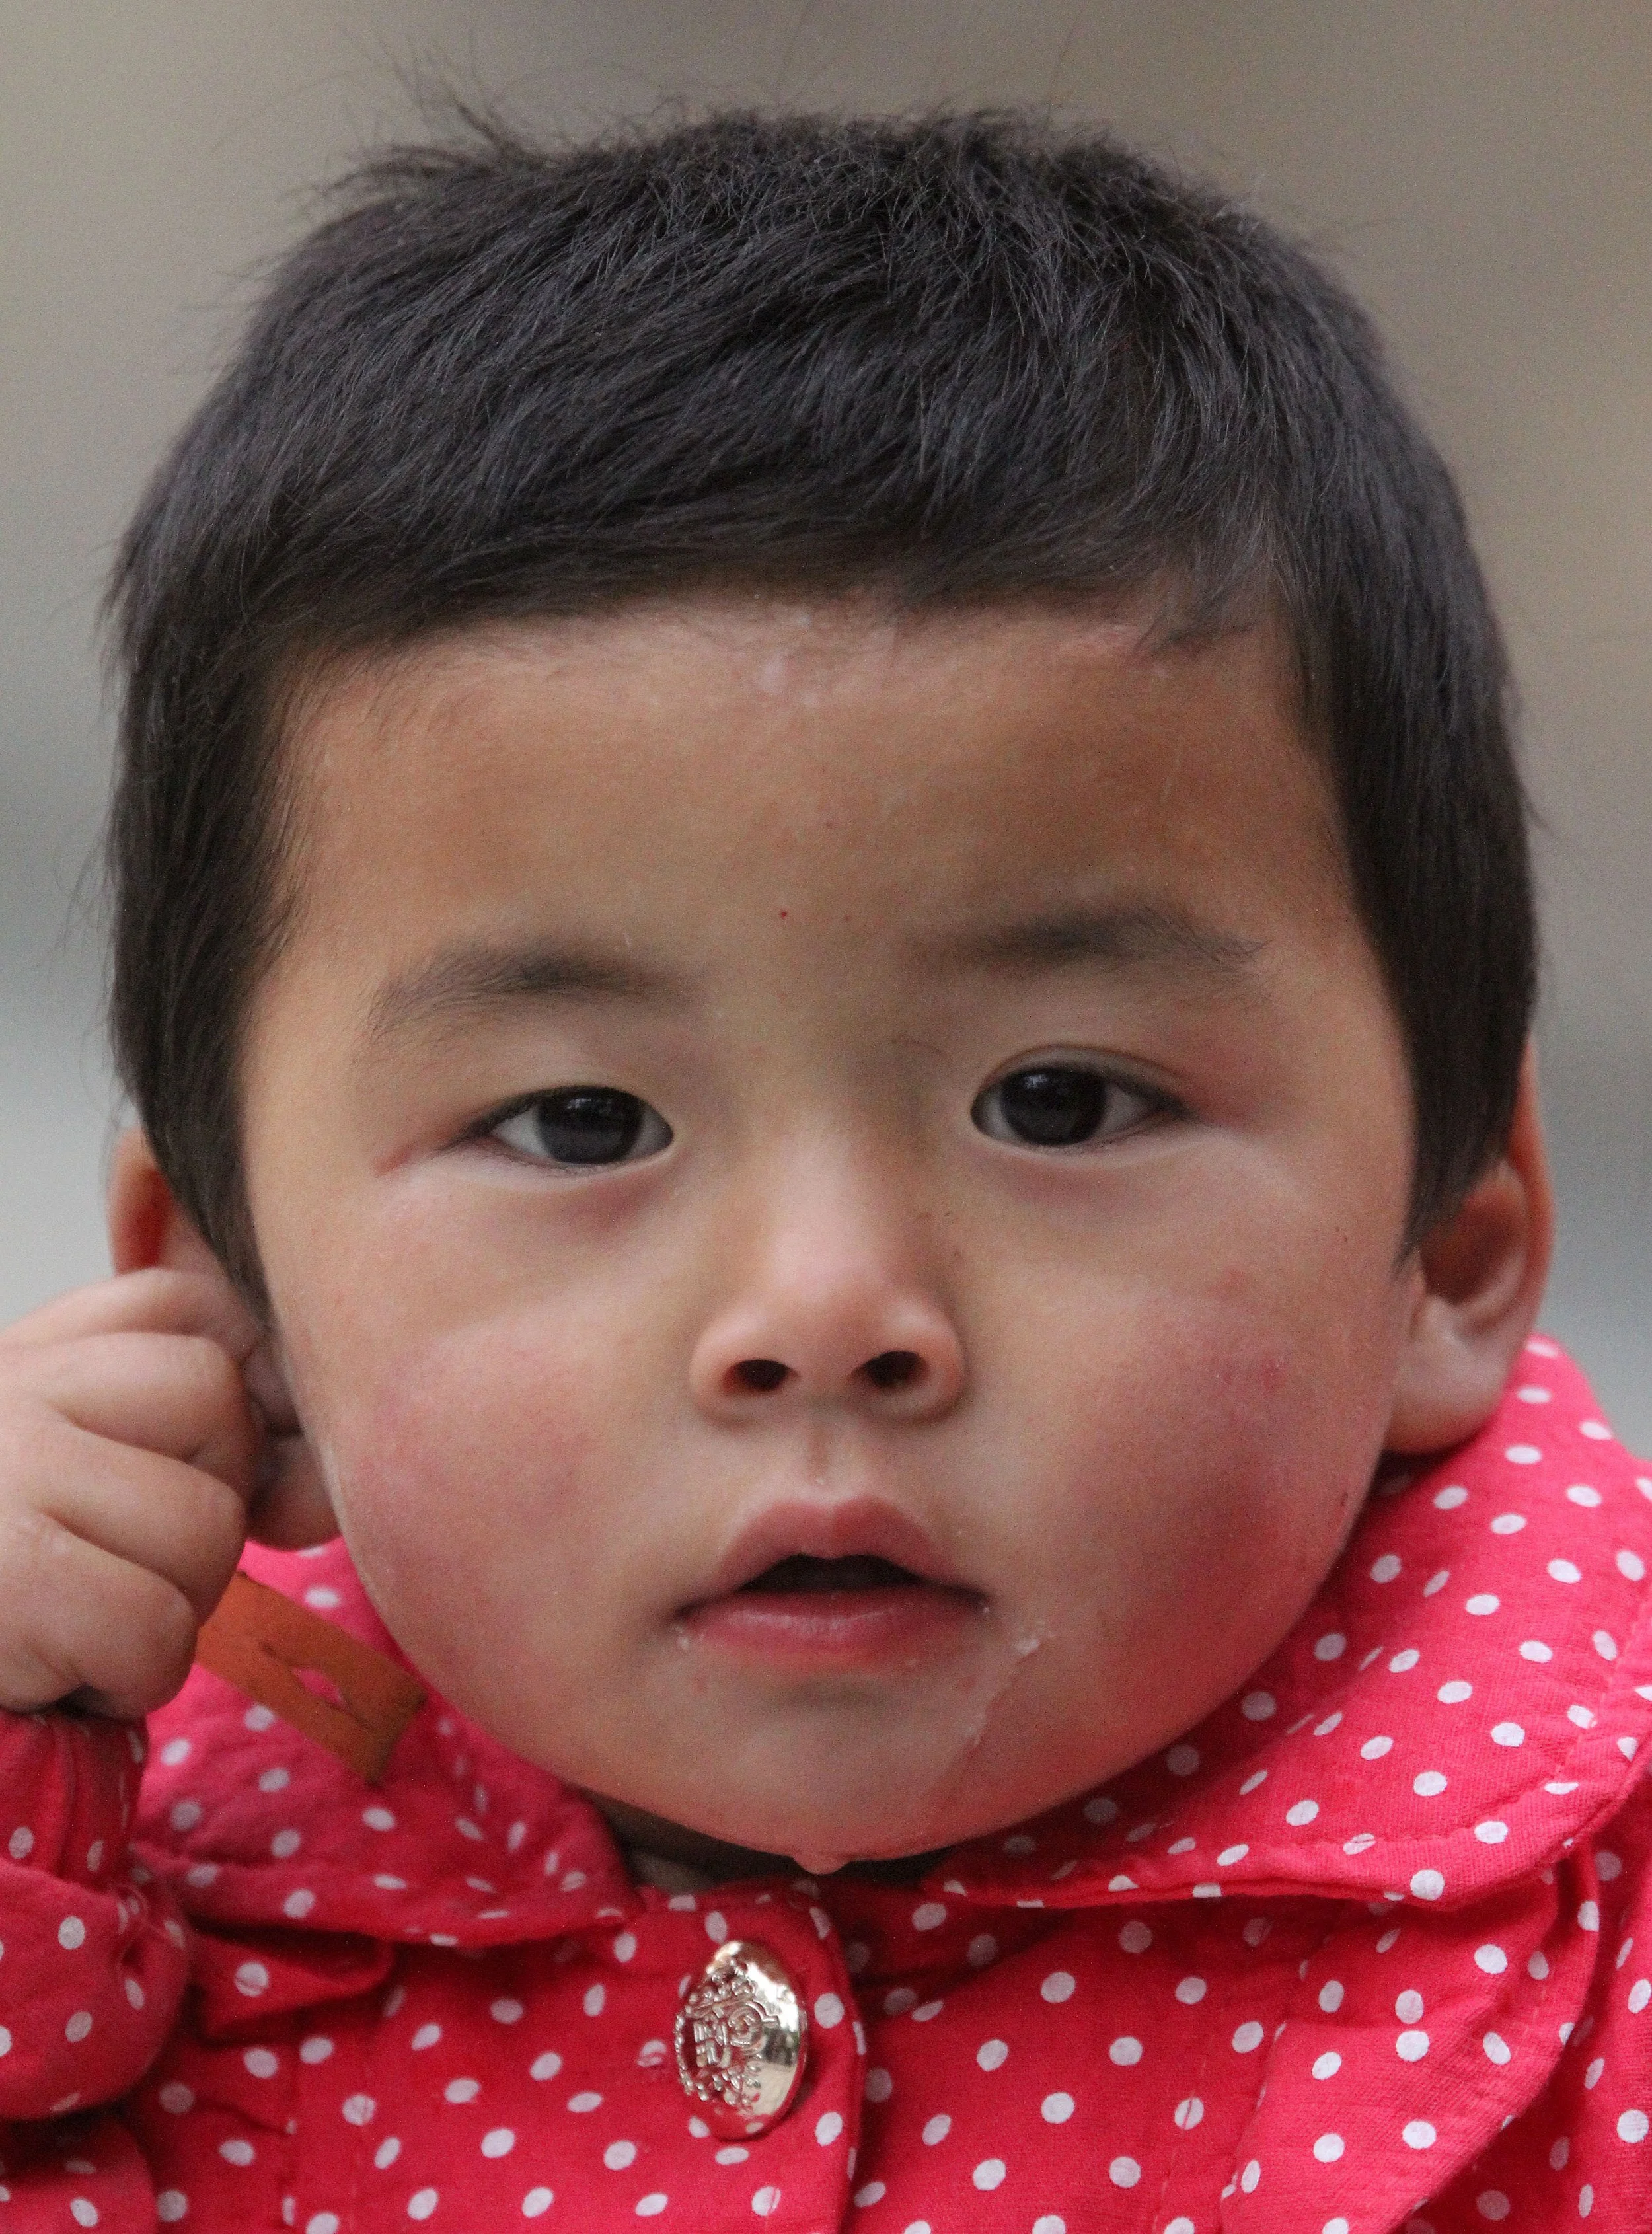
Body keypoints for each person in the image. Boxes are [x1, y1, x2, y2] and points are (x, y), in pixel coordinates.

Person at [0, 108, 1644, 2233]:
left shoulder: (1572, 1942)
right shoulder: (148, 1876)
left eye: (1058, 1100)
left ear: (1450, 1239)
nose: (825, 1311)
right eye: (581, 1123)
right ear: (239, 1310)